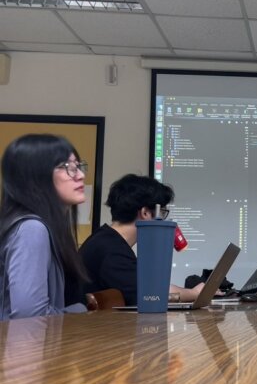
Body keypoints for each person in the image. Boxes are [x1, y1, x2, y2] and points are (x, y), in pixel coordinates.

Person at [0, 134, 89, 320]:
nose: (80, 175)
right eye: (68, 168)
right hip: (22, 347)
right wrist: (80, 312)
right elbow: (30, 315)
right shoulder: (31, 229)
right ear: (35, 176)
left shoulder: (44, 227)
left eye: (79, 166)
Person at [80, 174, 204, 306]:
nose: (163, 219)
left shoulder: (105, 240)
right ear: (145, 213)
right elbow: (152, 294)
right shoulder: (112, 251)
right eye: (162, 213)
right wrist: (194, 293)